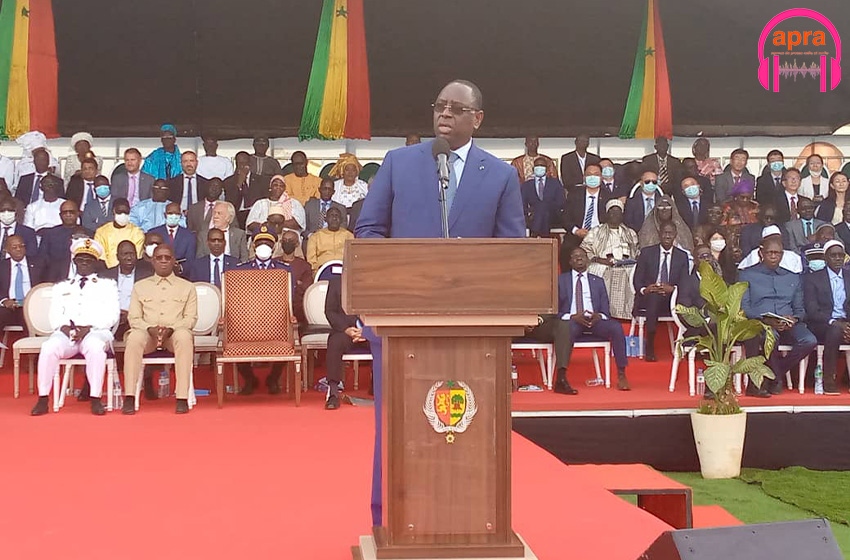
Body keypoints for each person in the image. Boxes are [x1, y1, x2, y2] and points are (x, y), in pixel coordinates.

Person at [355, 79, 524, 527]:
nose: (444, 115)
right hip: (398, 324)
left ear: (477, 119)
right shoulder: (400, 163)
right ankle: (389, 519)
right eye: (439, 107)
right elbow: (369, 232)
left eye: (455, 108)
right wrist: (399, 279)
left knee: (467, 425)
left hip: (475, 332)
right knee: (397, 426)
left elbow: (512, 252)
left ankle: (469, 521)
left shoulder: (502, 175)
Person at [30, 239, 119, 416]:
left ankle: (95, 398)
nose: (84, 263)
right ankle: (43, 398)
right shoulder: (62, 286)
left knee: (95, 348)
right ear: (74, 261)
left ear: (96, 262)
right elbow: (54, 314)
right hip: (67, 333)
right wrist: (64, 328)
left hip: (96, 332)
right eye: (80, 259)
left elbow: (112, 315)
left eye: (89, 260)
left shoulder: (107, 285)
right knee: (48, 348)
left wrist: (88, 328)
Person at [122, 244, 197, 414]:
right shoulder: (140, 286)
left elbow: (190, 318)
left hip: (173, 335)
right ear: (152, 261)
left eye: (167, 258)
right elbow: (134, 318)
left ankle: (182, 397)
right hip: (148, 334)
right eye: (159, 258)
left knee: (185, 337)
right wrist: (150, 329)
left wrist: (171, 329)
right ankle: (129, 397)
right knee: (133, 338)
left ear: (174, 261)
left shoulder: (187, 287)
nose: (163, 261)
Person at [741, 236, 817, 396]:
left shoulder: (792, 276)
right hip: (761, 322)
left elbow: (800, 308)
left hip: (789, 321)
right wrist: (766, 320)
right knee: (771, 336)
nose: (774, 256)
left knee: (810, 341)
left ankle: (774, 375)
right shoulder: (747, 275)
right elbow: (744, 307)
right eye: (770, 253)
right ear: (761, 253)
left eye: (778, 253)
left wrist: (794, 318)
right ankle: (776, 380)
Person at [559, 247, 630, 390]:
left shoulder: (597, 281)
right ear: (570, 262)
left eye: (582, 256)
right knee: (565, 331)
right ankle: (562, 377)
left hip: (594, 321)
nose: (579, 258)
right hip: (572, 320)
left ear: (587, 260)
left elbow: (605, 310)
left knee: (616, 327)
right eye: (575, 256)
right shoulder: (561, 280)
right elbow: (555, 310)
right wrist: (572, 316)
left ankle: (622, 374)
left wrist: (598, 316)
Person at [234, 226, 290, 395]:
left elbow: (288, 299)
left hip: (276, 320)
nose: (263, 246)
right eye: (259, 243)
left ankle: (273, 378)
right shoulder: (241, 270)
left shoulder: (284, 270)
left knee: (287, 335)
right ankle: (250, 379)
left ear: (274, 247)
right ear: (253, 246)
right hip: (248, 320)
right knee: (234, 334)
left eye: (267, 243)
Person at [633, 221, 691, 362]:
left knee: (688, 301)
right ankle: (650, 346)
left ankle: (689, 345)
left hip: (672, 298)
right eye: (664, 233)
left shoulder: (682, 256)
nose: (667, 236)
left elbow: (685, 282)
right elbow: (637, 279)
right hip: (649, 297)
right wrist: (645, 289)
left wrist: (672, 289)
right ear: (659, 234)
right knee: (653, 298)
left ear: (675, 235)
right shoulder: (647, 253)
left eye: (670, 233)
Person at [803, 239, 849, 395]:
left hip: (846, 322)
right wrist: (834, 322)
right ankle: (829, 380)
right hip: (822, 323)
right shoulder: (813, 278)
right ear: (825, 258)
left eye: (840, 255)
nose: (837, 259)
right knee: (835, 330)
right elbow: (812, 310)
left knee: (839, 329)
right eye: (833, 255)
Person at [580, 199, 640, 320]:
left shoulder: (630, 233)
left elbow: (637, 252)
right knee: (604, 272)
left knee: (631, 273)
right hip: (601, 264)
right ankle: (603, 313)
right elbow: (584, 250)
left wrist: (630, 260)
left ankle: (624, 315)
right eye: (612, 212)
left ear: (622, 215)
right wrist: (600, 260)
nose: (615, 215)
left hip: (626, 266)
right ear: (607, 214)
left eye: (618, 213)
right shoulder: (596, 231)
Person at [324, 266, 368, 409]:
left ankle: (383, 389)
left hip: (370, 330)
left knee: (384, 341)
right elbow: (330, 311)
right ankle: (333, 392)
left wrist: (367, 331)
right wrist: (346, 329)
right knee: (334, 343)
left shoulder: (373, 280)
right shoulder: (336, 282)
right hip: (345, 331)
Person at [102, 240, 154, 338]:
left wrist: (131, 314)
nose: (129, 258)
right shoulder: (105, 276)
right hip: (110, 320)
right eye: (125, 254)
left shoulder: (147, 276)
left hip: (137, 321)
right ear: (117, 256)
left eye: (132, 254)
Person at [0, 235, 45, 334]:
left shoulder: (39, 263)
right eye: (14, 247)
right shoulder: (2, 266)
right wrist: (3, 300)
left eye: (21, 246)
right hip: (8, 306)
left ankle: (29, 346)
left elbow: (44, 285)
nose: (19, 249)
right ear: (6, 250)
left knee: (32, 319)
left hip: (31, 305)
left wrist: (34, 300)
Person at [520, 156, 566, 237]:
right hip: (533, 216)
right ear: (533, 169)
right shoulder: (526, 185)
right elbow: (522, 204)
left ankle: (535, 234)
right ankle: (545, 237)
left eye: (542, 166)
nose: (539, 168)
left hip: (553, 215)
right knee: (540, 209)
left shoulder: (555, 183)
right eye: (537, 166)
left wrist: (545, 206)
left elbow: (561, 202)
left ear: (547, 169)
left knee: (543, 206)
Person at [93, 198, 145, 268]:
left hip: (130, 269)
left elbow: (136, 257)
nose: (123, 215)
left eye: (126, 212)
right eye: (119, 212)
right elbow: (101, 257)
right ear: (113, 211)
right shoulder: (101, 231)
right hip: (107, 271)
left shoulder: (137, 232)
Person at [224, 151, 270, 228]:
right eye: (240, 163)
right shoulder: (229, 181)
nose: (243, 166)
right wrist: (239, 183)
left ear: (250, 163)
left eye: (245, 163)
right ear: (236, 164)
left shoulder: (261, 180)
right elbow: (230, 202)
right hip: (237, 215)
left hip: (255, 213)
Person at [278, 229, 312, 324]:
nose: (287, 243)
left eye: (290, 241)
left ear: (297, 244)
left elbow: (307, 289)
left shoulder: (304, 266)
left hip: (298, 310)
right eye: (284, 240)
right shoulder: (274, 263)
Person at [565, 163, 608, 240]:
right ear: (584, 177)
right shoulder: (574, 195)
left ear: (602, 178)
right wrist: (576, 231)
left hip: (601, 237)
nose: (592, 177)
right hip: (577, 236)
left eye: (596, 174)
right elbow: (565, 218)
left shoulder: (608, 197)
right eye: (589, 174)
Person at [306, 206, 352, 273]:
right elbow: (311, 260)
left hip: (345, 271)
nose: (334, 218)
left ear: (341, 219)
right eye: (331, 215)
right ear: (325, 219)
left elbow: (354, 257)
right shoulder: (315, 236)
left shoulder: (349, 236)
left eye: (337, 216)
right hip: (322, 271)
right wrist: (317, 270)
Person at [150, 202, 197, 268]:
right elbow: (149, 258)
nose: (173, 216)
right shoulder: (153, 233)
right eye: (170, 213)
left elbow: (190, 260)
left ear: (180, 216)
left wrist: (180, 268)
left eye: (176, 214)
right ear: (165, 215)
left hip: (180, 275)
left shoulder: (189, 236)